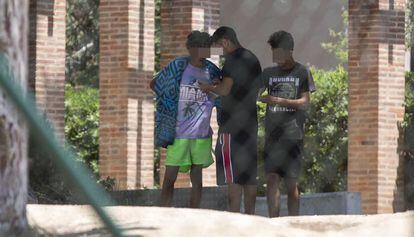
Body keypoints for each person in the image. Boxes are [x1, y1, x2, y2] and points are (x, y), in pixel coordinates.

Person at [150, 31, 222, 208]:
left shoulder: (212, 71)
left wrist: (212, 92)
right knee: (170, 177)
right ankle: (163, 212)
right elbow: (154, 84)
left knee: (197, 178)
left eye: (206, 48)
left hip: (202, 134)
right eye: (198, 48)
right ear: (190, 49)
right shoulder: (178, 66)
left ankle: (194, 213)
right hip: (179, 133)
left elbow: (222, 94)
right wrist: (167, 103)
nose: (202, 53)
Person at [200, 26, 262, 214]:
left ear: (225, 42)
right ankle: (251, 216)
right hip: (250, 123)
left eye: (219, 46)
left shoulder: (232, 60)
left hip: (231, 126)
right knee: (249, 175)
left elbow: (225, 90)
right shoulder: (252, 58)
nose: (220, 51)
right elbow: (253, 89)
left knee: (232, 175)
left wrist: (208, 87)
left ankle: (234, 217)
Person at [258, 30, 315, 217]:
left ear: (290, 50)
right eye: (274, 53)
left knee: (291, 183)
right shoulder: (268, 73)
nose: (276, 58)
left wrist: (280, 101)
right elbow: (254, 94)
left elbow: (305, 102)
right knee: (272, 178)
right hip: (272, 136)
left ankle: (293, 223)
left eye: (279, 53)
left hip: (293, 135)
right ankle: (273, 222)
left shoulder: (302, 72)